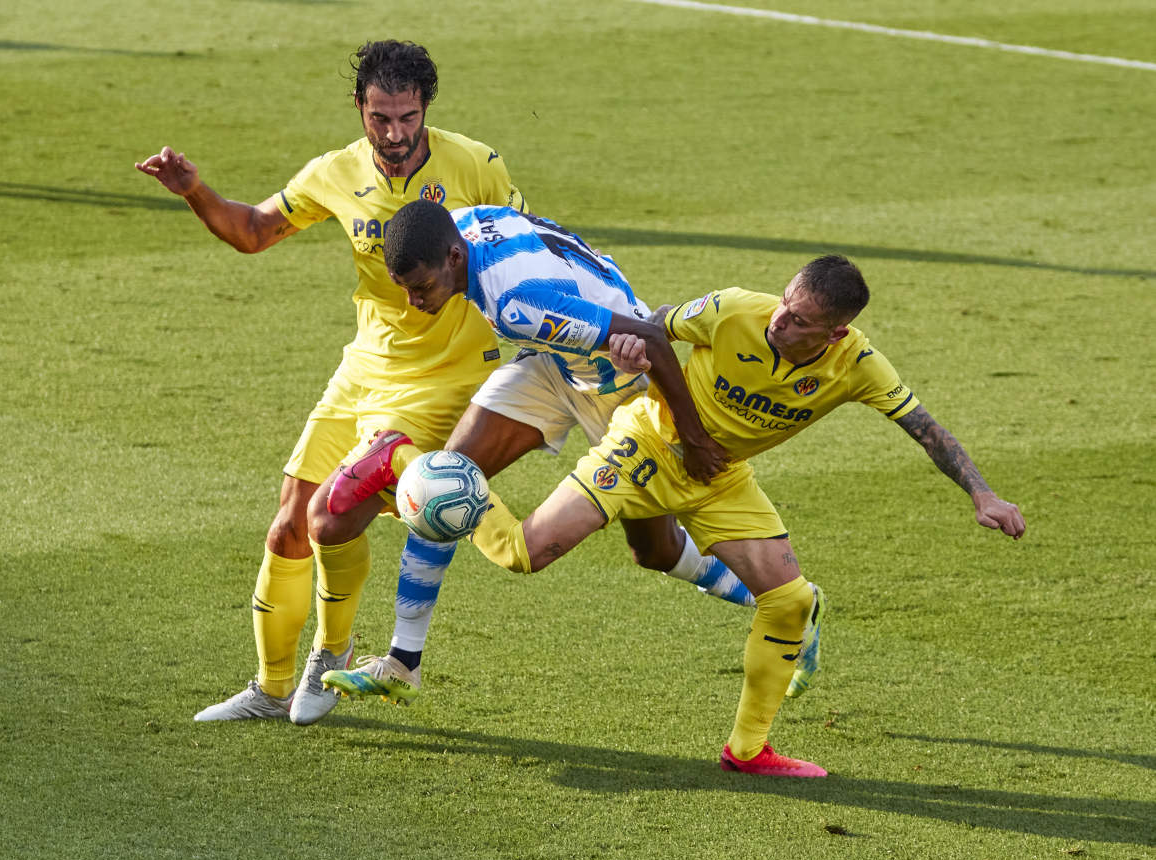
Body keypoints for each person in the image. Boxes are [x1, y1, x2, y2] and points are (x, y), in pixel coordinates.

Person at [330, 254, 1025, 776]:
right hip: (646, 444)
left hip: (721, 480)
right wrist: (626, 347)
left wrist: (980, 493)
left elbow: (924, 427)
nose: (779, 319)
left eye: (799, 320)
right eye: (783, 304)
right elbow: (649, 332)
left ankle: (748, 751)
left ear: (835, 333)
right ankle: (405, 466)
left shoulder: (859, 366)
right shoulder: (731, 309)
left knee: (786, 601)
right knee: (521, 554)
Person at [136, 40, 527, 725]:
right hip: (367, 366)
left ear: (426, 109)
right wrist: (195, 190)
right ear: (359, 109)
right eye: (380, 118)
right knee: (288, 525)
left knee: (332, 517)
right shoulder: (334, 172)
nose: (395, 133)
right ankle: (269, 688)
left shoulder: (477, 165)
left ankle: (331, 654)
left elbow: (526, 248)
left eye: (407, 117)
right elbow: (254, 232)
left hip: (449, 377)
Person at [307, 200, 800, 704]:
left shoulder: (514, 303)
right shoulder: (467, 219)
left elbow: (649, 337)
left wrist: (694, 439)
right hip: (557, 364)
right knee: (443, 481)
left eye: (422, 287)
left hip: (624, 387)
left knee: (654, 550)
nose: (414, 302)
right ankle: (401, 662)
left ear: (454, 258)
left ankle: (793, 610)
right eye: (406, 289)